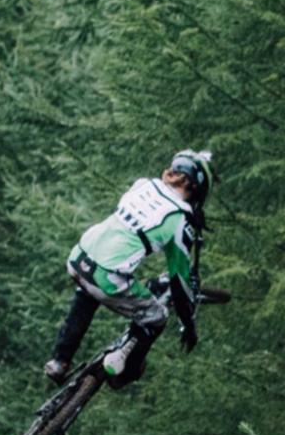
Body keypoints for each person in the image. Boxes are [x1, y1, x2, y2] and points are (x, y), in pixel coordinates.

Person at [44, 149, 215, 385]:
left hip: (79, 257)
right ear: (197, 189)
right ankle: (123, 373)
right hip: (108, 277)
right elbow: (180, 279)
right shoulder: (180, 218)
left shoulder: (143, 185)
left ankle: (59, 361)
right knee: (156, 316)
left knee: (87, 292)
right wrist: (188, 324)